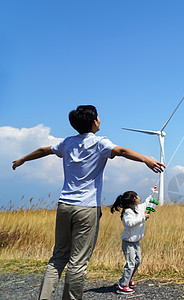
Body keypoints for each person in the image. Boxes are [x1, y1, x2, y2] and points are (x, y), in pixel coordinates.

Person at [11, 105, 165, 300]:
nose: (100, 119)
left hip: (64, 206)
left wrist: (22, 160)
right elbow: (123, 151)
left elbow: (44, 149)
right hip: (87, 208)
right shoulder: (100, 143)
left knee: (58, 257)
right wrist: (146, 159)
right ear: (94, 122)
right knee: (78, 262)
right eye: (98, 117)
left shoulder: (67, 143)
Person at [110, 185, 157, 294]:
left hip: (136, 241)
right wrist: (143, 218)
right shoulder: (128, 212)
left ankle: (127, 278)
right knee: (131, 263)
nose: (139, 197)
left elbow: (147, 203)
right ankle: (123, 285)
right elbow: (130, 223)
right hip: (128, 242)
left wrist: (153, 193)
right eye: (137, 196)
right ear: (134, 199)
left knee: (137, 261)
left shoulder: (138, 208)